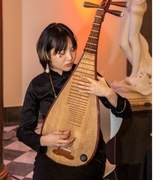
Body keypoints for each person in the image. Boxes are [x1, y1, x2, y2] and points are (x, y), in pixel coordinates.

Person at [17, 23, 132, 180]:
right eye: (61, 53)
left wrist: (107, 92)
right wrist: (44, 140)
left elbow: (126, 112)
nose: (70, 57)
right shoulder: (38, 85)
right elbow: (23, 131)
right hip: (52, 151)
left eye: (72, 49)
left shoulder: (88, 76)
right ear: (46, 54)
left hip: (88, 152)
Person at [112, 0, 152, 92]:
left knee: (133, 37)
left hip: (137, 2)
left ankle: (134, 75)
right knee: (122, 42)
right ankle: (141, 71)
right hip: (127, 3)